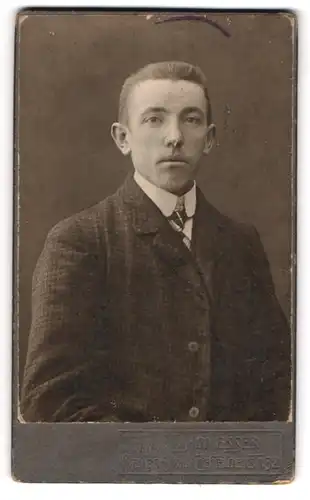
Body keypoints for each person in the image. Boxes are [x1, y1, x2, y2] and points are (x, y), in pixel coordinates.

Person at [20, 61, 291, 423]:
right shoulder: (79, 241)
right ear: (122, 138)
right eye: (154, 119)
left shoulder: (241, 242)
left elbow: (278, 382)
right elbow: (48, 401)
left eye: (191, 119)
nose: (174, 137)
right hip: (124, 473)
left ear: (209, 139)